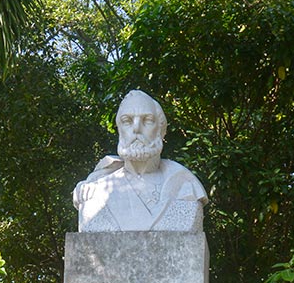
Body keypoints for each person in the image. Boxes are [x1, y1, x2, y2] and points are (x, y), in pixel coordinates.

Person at [74, 90, 208, 232]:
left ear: (161, 130)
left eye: (147, 120)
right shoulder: (97, 191)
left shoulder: (184, 185)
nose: (136, 128)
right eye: (127, 121)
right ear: (119, 129)